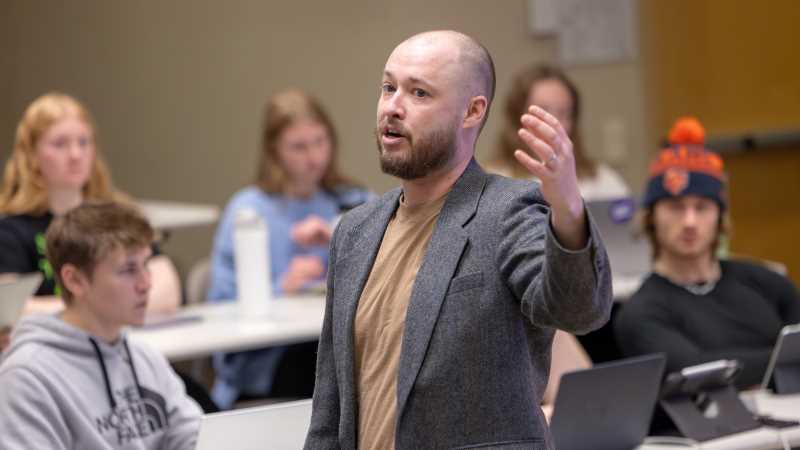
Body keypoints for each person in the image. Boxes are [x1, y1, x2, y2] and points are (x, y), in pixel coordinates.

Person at [304, 30, 613, 449]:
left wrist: (569, 211)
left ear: (472, 111)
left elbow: (578, 312)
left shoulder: (508, 211)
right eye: (389, 87)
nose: (393, 107)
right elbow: (330, 407)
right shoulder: (354, 232)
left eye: (419, 94)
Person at [208, 88, 371, 409]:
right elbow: (222, 305)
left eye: (320, 142)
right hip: (267, 361)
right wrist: (279, 287)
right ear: (274, 151)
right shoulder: (248, 211)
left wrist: (339, 237)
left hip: (335, 343)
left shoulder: (352, 199)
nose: (314, 157)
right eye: (298, 147)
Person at [614, 117, 800, 389]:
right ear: (652, 217)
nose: (690, 221)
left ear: (719, 217)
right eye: (676, 206)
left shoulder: (767, 283)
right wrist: (783, 361)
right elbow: (699, 374)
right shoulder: (640, 312)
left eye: (701, 207)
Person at [0, 201, 201, 450]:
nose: (146, 283)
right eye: (128, 269)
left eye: (146, 265)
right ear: (75, 280)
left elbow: (194, 439)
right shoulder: (27, 377)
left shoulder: (144, 358)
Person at [0, 93, 181, 319]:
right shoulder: (10, 231)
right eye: (60, 144)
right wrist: (106, 307)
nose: (76, 154)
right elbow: (10, 311)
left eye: (84, 142)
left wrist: (84, 310)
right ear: (31, 155)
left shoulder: (118, 217)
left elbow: (167, 292)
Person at [486, 64, 628, 201]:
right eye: (542, 111)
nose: (554, 123)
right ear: (517, 118)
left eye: (564, 113)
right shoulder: (491, 183)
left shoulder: (602, 179)